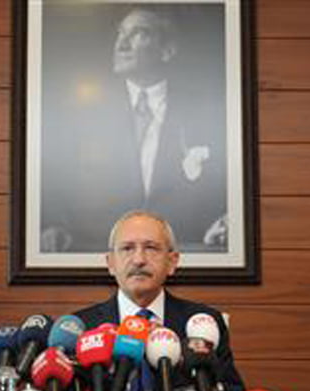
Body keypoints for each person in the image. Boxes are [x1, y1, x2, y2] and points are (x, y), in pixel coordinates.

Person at [41, 5, 227, 253]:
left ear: (167, 50)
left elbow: (223, 183)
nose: (122, 44)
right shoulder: (83, 112)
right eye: (120, 33)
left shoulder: (204, 110)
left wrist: (225, 219)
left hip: (186, 251)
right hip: (98, 251)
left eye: (139, 33)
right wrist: (54, 225)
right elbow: (55, 178)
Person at [73, 210, 245, 391]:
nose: (139, 259)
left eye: (151, 248)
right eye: (127, 248)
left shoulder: (204, 323)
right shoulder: (82, 328)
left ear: (172, 262)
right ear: (110, 263)